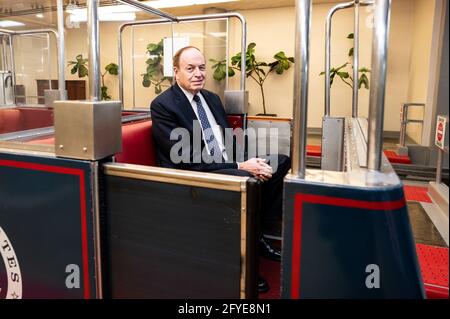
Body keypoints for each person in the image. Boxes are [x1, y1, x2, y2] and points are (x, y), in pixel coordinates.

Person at [150, 46, 291, 293]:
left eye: (201, 68)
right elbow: (184, 157)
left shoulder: (212, 99)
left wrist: (249, 160)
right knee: (248, 179)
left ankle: (256, 233)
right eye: (190, 68)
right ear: (176, 72)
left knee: (280, 162)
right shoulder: (163, 105)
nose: (198, 73)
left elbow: (227, 141)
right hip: (192, 175)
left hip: (224, 164)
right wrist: (241, 166)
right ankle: (242, 263)